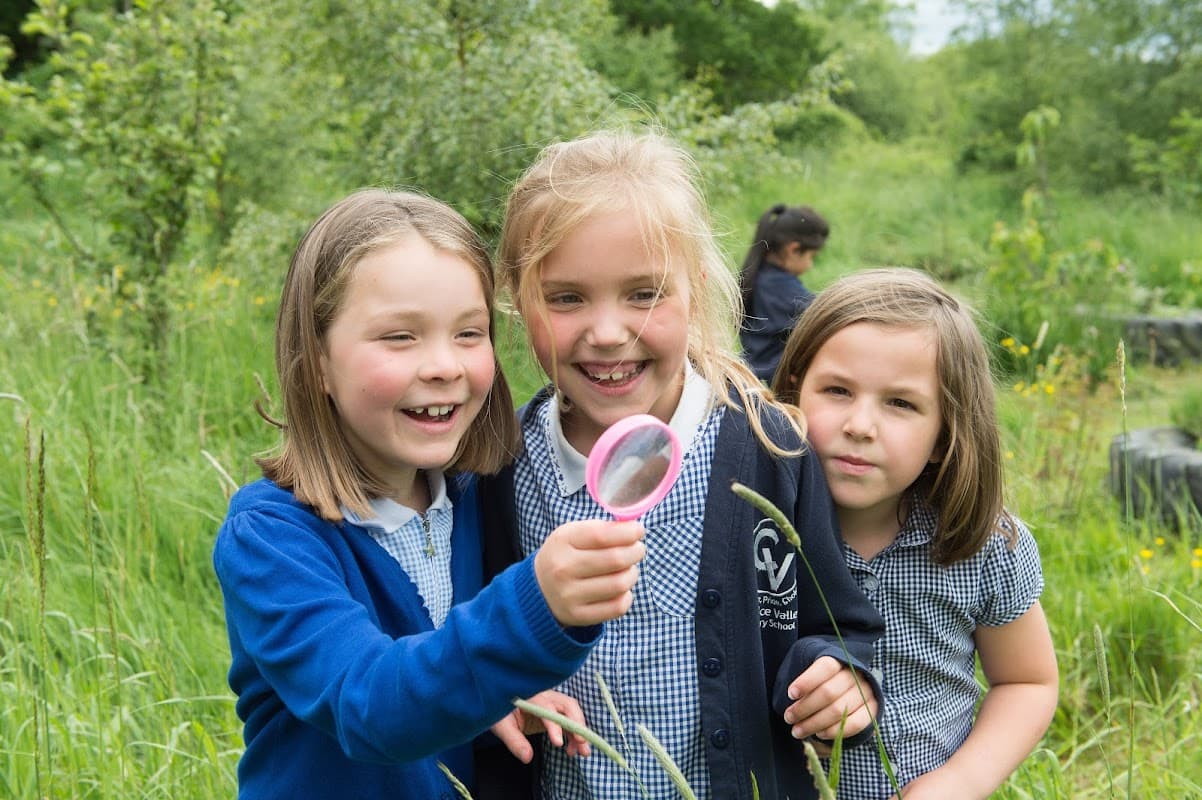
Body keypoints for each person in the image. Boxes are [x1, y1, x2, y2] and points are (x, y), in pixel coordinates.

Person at [480, 130, 885, 800]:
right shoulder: (499, 463)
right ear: (517, 301)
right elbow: (474, 634)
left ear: (695, 291)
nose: (608, 331)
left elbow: (837, 625)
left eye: (644, 294)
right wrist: (505, 689)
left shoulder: (770, 448)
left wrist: (838, 679)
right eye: (566, 298)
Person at [212, 188, 648, 800]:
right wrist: (532, 607)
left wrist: (493, 701)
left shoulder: (476, 498)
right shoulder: (272, 537)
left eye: (469, 333)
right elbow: (371, 705)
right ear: (316, 363)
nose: (444, 365)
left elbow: (442, 673)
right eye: (400, 337)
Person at [772, 267, 1059, 799]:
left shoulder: (983, 545)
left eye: (900, 403)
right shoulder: (757, 529)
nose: (860, 424)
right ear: (793, 391)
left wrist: (960, 782)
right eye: (837, 391)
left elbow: (1027, 682)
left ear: (945, 430)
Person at [738, 203, 829, 383]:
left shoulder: (760, 277)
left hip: (756, 371)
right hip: (775, 379)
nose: (810, 265)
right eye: (811, 257)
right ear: (793, 250)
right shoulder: (780, 288)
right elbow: (822, 313)